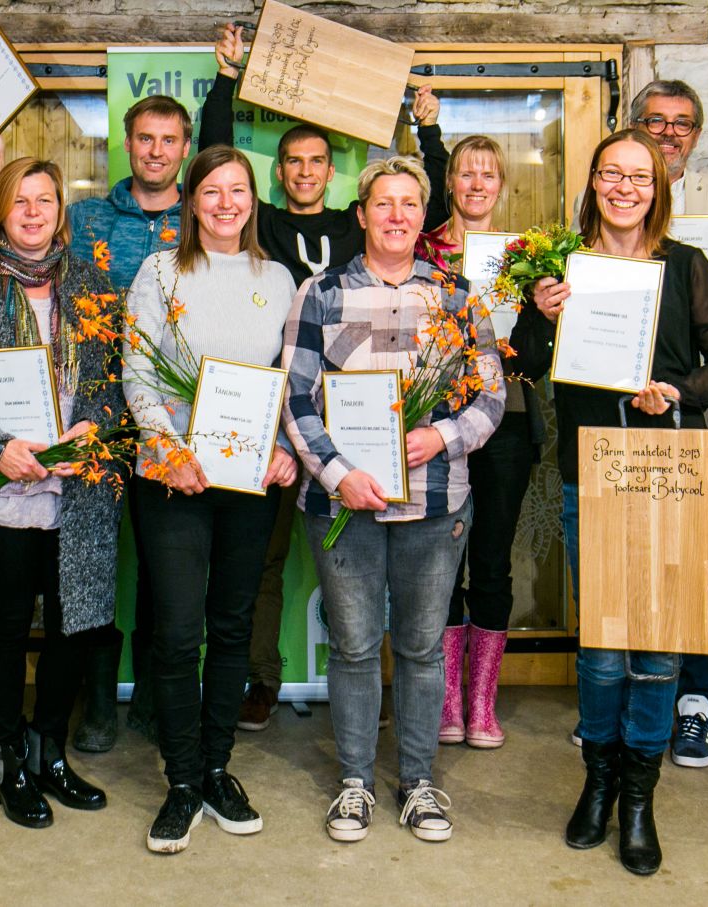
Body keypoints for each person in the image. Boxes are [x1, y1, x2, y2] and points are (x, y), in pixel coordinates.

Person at [201, 23, 450, 730]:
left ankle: (403, 694)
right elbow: (214, 159)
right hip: (285, 418)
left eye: (317, 160)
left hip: (363, 427)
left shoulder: (357, 223)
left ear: (332, 171)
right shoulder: (264, 226)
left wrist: (422, 123)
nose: (306, 171)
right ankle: (260, 676)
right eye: (294, 162)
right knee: (265, 556)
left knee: (389, 552)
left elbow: (416, 193)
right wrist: (226, 81)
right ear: (278, 174)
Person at [528, 128, 708, 875]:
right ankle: (599, 782)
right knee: (602, 644)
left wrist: (677, 392)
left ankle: (641, 797)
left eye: (639, 177)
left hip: (666, 468)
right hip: (592, 470)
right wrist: (541, 314)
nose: (625, 187)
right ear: (592, 182)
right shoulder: (563, 265)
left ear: (659, 187)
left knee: (658, 643)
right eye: (611, 174)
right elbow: (525, 359)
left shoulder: (685, 267)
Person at [283, 156, 505, 844]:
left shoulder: (459, 297)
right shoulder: (319, 294)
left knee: (418, 646)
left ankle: (417, 780)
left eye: (410, 204)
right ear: (362, 213)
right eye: (384, 203)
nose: (397, 216)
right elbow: (295, 401)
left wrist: (440, 436)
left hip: (435, 507)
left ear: (422, 215)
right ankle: (355, 782)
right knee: (353, 648)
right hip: (346, 506)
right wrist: (336, 473)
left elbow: (490, 395)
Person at [0, 95, 193, 752]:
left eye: (169, 140)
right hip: (83, 422)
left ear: (183, 148)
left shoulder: (199, 220)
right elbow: (18, 236)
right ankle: (98, 702)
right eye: (144, 138)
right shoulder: (89, 215)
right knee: (89, 565)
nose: (156, 150)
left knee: (161, 563)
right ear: (128, 143)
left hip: (166, 417)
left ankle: (152, 695)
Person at [0, 156, 125, 829]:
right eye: (20, 201)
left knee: (75, 623)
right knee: (7, 623)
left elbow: (118, 378)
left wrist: (100, 418)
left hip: (74, 488)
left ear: (61, 210)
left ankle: (50, 748)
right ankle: (8, 755)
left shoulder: (94, 286)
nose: (33, 213)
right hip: (0, 486)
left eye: (45, 200)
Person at [122, 145, 299, 854]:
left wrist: (287, 444)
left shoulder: (280, 277)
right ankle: (182, 780)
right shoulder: (159, 271)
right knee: (177, 632)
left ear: (252, 202)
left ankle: (218, 767)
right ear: (191, 202)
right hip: (173, 477)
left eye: (238, 191)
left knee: (231, 627)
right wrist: (168, 448)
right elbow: (135, 368)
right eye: (212, 192)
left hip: (250, 483)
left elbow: (293, 378)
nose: (226, 203)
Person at [414, 135, 548, 750]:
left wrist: (540, 316)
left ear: (501, 184)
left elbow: (539, 358)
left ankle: (482, 702)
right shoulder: (420, 248)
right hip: (438, 416)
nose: (476, 184)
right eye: (466, 173)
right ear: (451, 183)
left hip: (509, 417)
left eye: (488, 174)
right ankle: (444, 699)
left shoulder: (527, 256)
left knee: (492, 558)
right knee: (442, 560)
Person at [629, 79, 708, 770]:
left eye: (682, 123)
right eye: (656, 121)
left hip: (697, 414)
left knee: (696, 563)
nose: (669, 132)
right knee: (631, 563)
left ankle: (695, 703)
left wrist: (681, 393)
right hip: (622, 419)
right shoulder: (607, 206)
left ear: (696, 135)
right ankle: (640, 699)